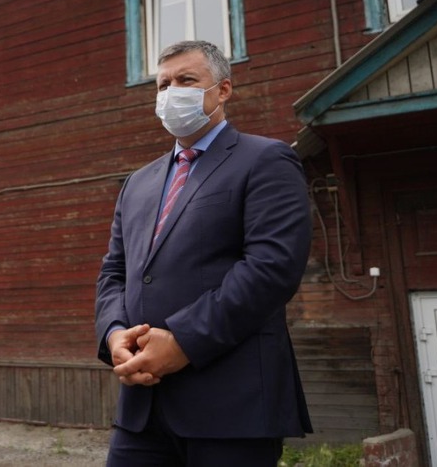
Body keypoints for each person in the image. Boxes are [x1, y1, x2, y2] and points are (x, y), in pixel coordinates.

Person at [94, 40, 313, 466]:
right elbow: (114, 272)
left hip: (232, 405)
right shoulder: (137, 183)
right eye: (163, 85)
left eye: (186, 80)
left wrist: (183, 342)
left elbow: (271, 269)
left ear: (223, 89)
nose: (171, 92)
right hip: (142, 408)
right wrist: (114, 333)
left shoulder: (266, 159)